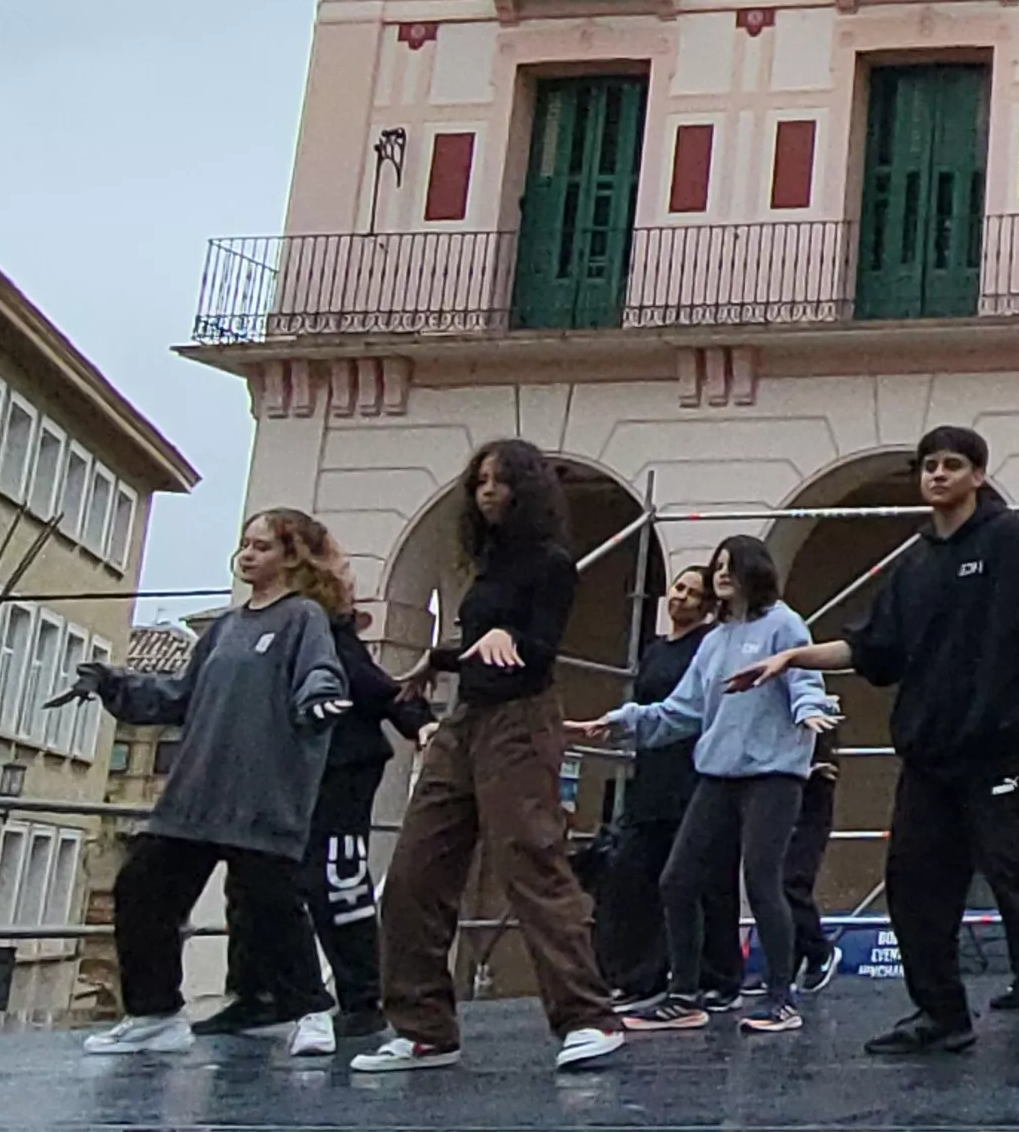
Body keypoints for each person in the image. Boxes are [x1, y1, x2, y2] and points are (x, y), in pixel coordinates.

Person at [733, 424, 1019, 1057]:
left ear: (977, 476)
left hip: (1002, 751)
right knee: (914, 888)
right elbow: (873, 647)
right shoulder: (915, 564)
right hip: (930, 758)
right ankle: (941, 1014)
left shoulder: (1012, 539)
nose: (937, 475)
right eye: (928, 465)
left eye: (951, 465)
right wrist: (795, 655)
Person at [359, 440, 625, 1073]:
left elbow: (536, 649)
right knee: (415, 872)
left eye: (499, 481)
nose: (486, 491)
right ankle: (424, 1028)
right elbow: (483, 642)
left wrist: (507, 636)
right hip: (467, 716)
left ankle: (588, 1016)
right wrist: (440, 659)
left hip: (522, 717)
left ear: (523, 489)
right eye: (479, 480)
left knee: (529, 862)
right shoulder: (488, 563)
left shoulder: (551, 562)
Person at [75, 511, 348, 1055]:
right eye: (244, 545)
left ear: (292, 557)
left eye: (263, 546)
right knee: (142, 889)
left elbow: (321, 673)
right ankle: (154, 1014)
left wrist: (319, 700)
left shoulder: (303, 620)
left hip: (261, 795)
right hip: (196, 793)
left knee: (272, 908)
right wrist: (115, 685)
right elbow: (180, 694)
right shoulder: (225, 627)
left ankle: (311, 1013)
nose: (248, 555)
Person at [574, 535, 840, 1036]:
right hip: (718, 775)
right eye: (717, 565)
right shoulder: (713, 641)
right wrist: (623, 720)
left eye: (729, 565)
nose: (721, 573)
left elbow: (804, 679)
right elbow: (683, 710)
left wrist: (809, 712)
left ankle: (781, 1000)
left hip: (773, 776)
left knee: (762, 881)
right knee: (677, 879)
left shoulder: (783, 623)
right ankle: (684, 996)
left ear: (752, 571)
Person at [281, 581, 437, 1054]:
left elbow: (373, 686)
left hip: (343, 763)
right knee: (290, 878)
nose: (246, 556)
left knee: (336, 878)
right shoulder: (285, 625)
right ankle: (273, 990)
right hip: (305, 766)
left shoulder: (322, 630)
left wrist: (420, 722)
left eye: (260, 547)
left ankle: (362, 998)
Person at [592, 566, 736, 1018]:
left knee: (700, 881)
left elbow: (692, 709)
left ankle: (715, 976)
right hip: (651, 777)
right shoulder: (655, 652)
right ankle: (638, 975)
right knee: (634, 877)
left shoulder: (708, 647)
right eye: (678, 588)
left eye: (694, 594)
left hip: (693, 775)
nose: (682, 599)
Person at [780, 722, 842, 996]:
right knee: (778, 882)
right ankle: (785, 968)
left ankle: (820, 951)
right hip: (787, 799)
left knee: (791, 881)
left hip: (809, 802)